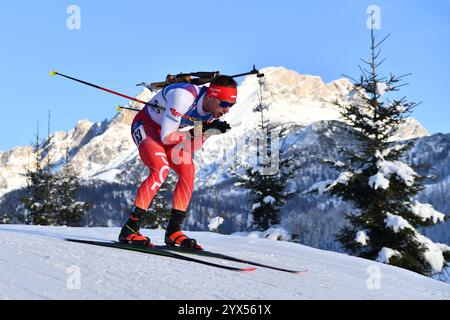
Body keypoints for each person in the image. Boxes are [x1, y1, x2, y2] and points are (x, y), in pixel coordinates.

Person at [118, 76, 238, 249]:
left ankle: (173, 231)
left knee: (188, 171)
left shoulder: (210, 113)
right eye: (225, 104)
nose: (227, 110)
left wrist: (207, 132)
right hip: (148, 126)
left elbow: (190, 147)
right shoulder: (184, 96)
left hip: (170, 134)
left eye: (231, 105)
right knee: (160, 170)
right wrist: (196, 132)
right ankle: (130, 228)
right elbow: (166, 137)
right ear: (211, 96)